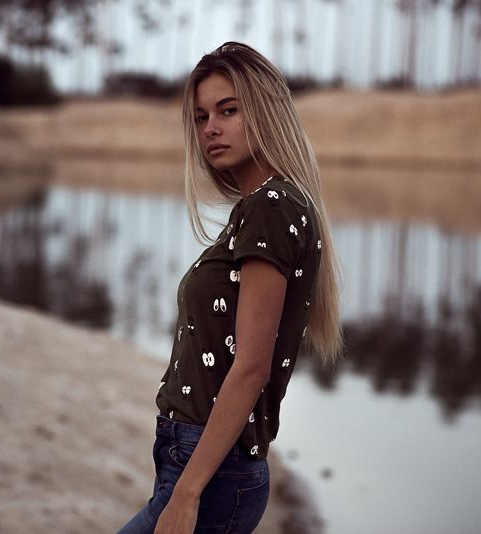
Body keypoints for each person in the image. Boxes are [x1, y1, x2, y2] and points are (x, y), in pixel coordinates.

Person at [118, 41, 343, 534]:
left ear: (262, 111)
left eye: (227, 110)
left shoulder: (272, 206)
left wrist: (188, 492)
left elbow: (251, 367)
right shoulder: (265, 206)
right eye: (200, 117)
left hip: (213, 468)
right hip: (201, 457)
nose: (210, 128)